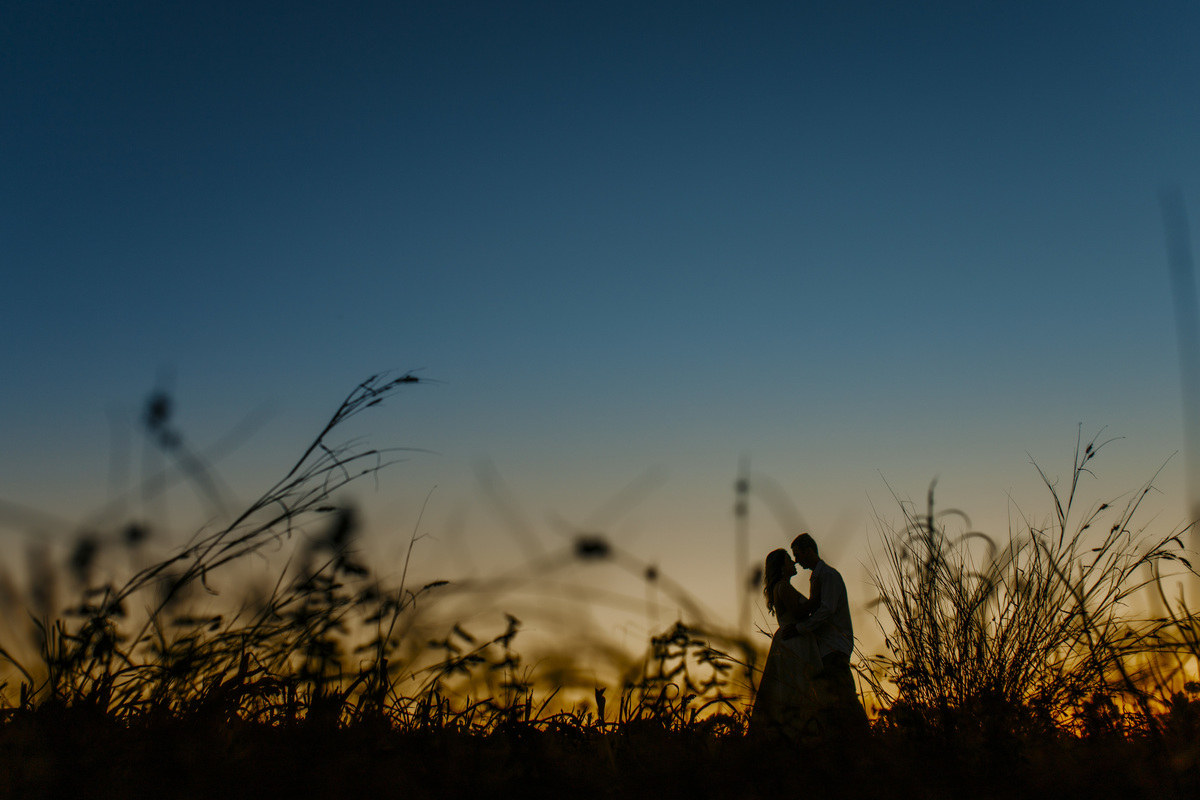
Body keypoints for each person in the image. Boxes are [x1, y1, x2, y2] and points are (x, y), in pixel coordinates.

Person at [784, 532, 869, 736]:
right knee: (835, 698)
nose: (796, 561)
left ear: (809, 551)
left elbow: (826, 610)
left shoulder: (828, 575)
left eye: (798, 555)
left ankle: (865, 738)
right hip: (826, 647)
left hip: (834, 645)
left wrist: (799, 629)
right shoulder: (818, 577)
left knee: (844, 695)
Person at [749, 548, 824, 739]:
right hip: (794, 642)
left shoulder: (782, 587)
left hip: (792, 639)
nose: (794, 563)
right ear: (782, 567)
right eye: (789, 560)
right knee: (797, 686)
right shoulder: (783, 587)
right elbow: (799, 612)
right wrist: (817, 598)